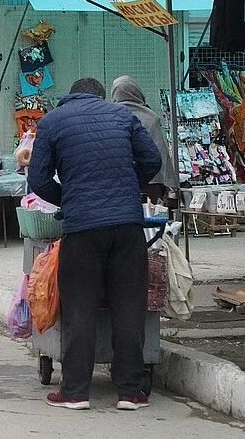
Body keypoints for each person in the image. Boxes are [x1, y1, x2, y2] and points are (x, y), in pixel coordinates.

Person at [27, 78, 162, 412]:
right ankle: (130, 392)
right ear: (100, 96)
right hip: (128, 226)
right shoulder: (122, 116)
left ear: (69, 95)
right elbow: (152, 161)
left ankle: (75, 392)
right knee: (129, 305)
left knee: (79, 308)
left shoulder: (51, 122)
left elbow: (38, 180)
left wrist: (68, 200)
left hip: (82, 229)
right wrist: (127, 187)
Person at [110, 76, 181, 204]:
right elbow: (161, 152)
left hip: (121, 182)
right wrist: (171, 186)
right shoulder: (151, 117)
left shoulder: (110, 118)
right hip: (152, 182)